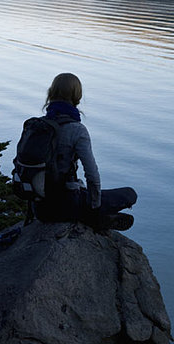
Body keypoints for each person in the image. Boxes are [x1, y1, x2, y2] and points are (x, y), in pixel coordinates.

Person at [33, 73, 137, 231]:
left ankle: (96, 216)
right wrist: (95, 207)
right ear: (77, 96)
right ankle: (96, 218)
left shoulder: (36, 126)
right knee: (130, 194)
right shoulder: (77, 130)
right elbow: (92, 175)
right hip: (65, 206)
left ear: (51, 92)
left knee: (83, 191)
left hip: (39, 209)